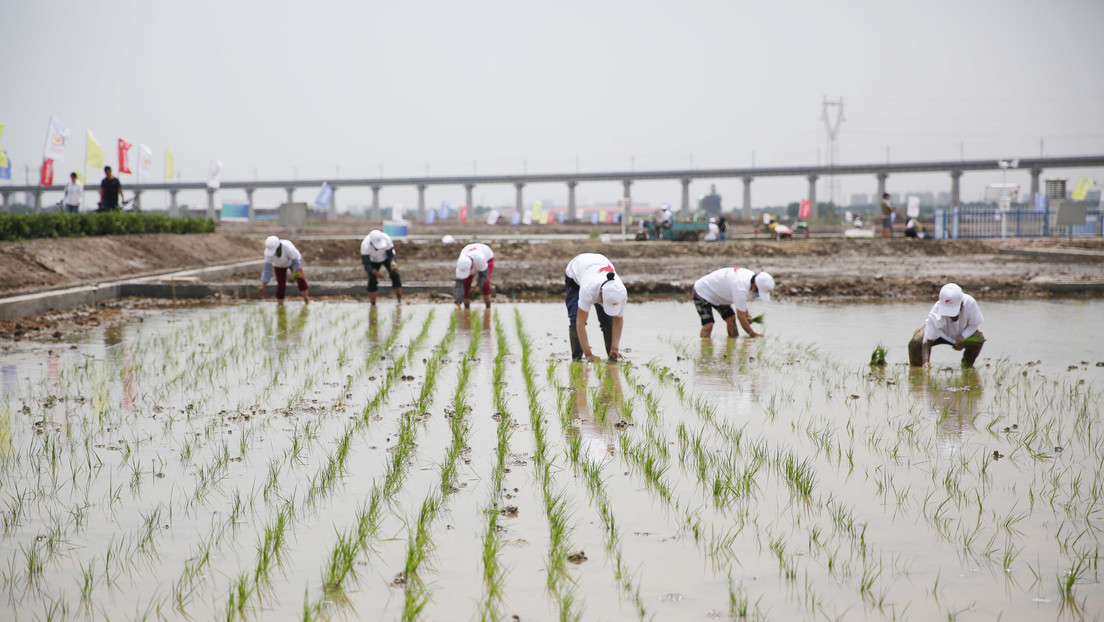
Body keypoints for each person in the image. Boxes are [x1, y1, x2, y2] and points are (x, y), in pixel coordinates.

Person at [565, 253, 627, 362]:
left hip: (600, 262)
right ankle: (577, 360)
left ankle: (612, 356)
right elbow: (580, 324)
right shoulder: (588, 290)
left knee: (608, 321)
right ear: (601, 295)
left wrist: (615, 347)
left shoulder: (620, 292)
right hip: (576, 272)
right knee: (575, 319)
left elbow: (618, 320)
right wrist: (589, 354)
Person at [908, 283, 985, 368]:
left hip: (962, 332)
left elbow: (974, 325)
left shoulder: (970, 303)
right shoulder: (935, 311)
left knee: (978, 340)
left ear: (962, 305)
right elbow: (927, 340)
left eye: (954, 312)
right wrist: (926, 362)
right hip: (940, 333)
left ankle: (967, 366)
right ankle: (916, 368)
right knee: (916, 342)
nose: (951, 317)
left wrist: (963, 336)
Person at [692, 267, 775, 338]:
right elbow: (741, 317)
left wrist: (747, 313)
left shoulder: (750, 278)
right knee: (708, 324)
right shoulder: (740, 287)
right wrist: (753, 335)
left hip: (720, 295)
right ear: (754, 286)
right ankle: (704, 352)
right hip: (703, 292)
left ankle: (732, 344)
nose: (758, 295)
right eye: (759, 292)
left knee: (731, 319)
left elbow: (740, 301)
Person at [259, 235, 309, 303]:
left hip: (292, 262)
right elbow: (267, 268)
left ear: (278, 247)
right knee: (281, 284)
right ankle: (280, 304)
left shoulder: (288, 248)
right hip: (278, 265)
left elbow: (295, 261)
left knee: (300, 278)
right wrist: (264, 283)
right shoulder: (268, 253)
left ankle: (306, 299)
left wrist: (295, 271)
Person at [360, 230, 402, 305]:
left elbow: (391, 254)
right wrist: (374, 272)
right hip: (373, 261)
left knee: (395, 275)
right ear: (371, 243)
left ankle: (399, 300)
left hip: (386, 258)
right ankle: (373, 305)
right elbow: (366, 264)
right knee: (372, 280)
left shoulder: (387, 239)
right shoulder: (365, 245)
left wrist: (392, 262)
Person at [454, 242, 494, 309]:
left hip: (487, 257)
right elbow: (459, 285)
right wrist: (458, 301)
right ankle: (466, 306)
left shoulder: (480, 259)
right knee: (466, 283)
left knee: (486, 283)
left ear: (471, 266)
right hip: (471, 256)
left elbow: (483, 276)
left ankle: (488, 306)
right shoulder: (461, 264)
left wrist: (478, 287)